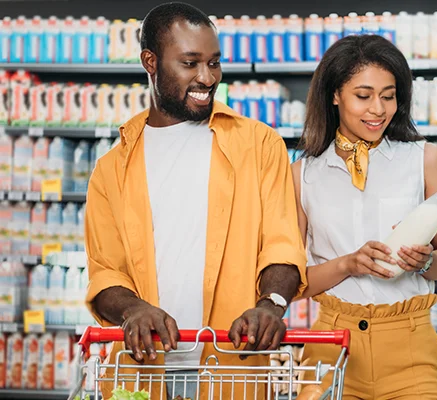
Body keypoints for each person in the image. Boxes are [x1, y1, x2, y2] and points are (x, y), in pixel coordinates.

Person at [84, 3, 307, 399]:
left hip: (233, 370)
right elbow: (105, 275)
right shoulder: (112, 168)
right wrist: (133, 309)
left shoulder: (259, 145)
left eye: (215, 63)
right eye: (190, 63)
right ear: (150, 62)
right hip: (141, 372)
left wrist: (271, 303)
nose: (207, 77)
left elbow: (282, 243)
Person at [292, 34, 437, 400]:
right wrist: (348, 264)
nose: (378, 109)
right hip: (330, 350)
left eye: (388, 96)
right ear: (335, 94)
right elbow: (292, 283)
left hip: (411, 348)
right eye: (363, 95)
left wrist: (425, 261)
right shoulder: (302, 175)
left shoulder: (426, 160)